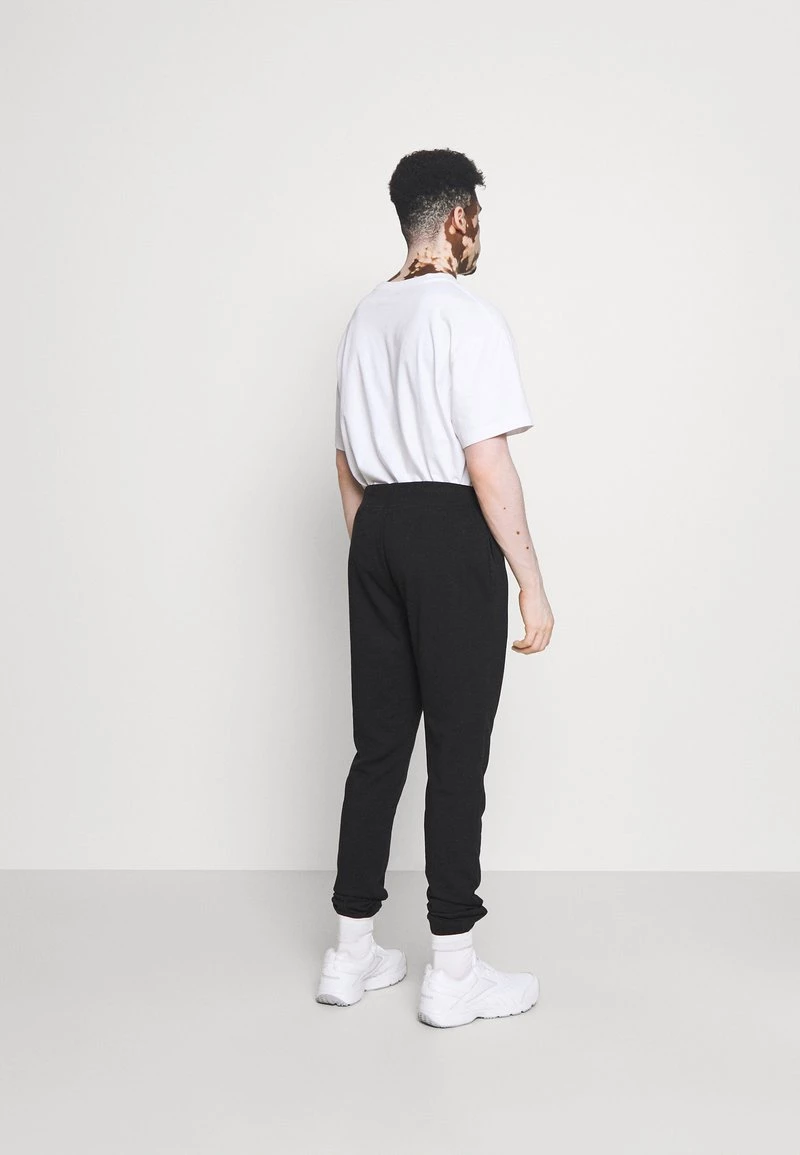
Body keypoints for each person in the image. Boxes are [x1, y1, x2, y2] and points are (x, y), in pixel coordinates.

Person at [316, 148, 554, 1029]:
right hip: (450, 530)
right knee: (457, 754)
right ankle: (453, 968)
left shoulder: (365, 315)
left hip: (376, 528)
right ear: (458, 219)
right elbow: (487, 464)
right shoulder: (467, 315)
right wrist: (532, 584)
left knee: (377, 747)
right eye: (476, 217)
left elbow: (345, 461)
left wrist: (379, 555)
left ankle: (351, 953)